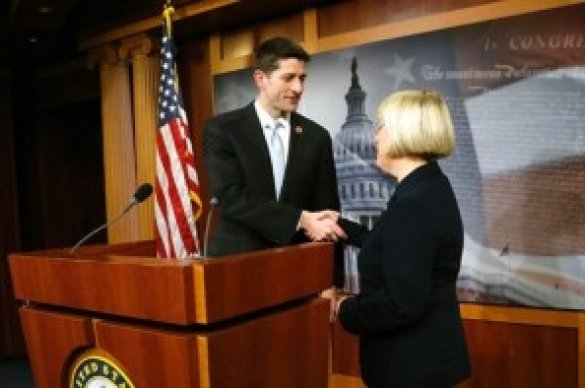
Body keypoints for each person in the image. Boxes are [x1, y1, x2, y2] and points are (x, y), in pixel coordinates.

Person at [321, 90, 471, 387]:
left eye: (381, 127)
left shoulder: (414, 203)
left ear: (404, 132)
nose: (375, 138)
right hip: (427, 362)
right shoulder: (428, 186)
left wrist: (341, 308)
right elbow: (396, 246)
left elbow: (400, 303)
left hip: (410, 369)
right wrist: (343, 225)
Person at [203, 36, 344, 285]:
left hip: (297, 270)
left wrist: (330, 280)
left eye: (302, 78)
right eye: (288, 78)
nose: (298, 88)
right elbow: (229, 197)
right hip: (237, 269)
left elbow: (327, 213)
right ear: (260, 79)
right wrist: (299, 219)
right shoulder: (223, 129)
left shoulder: (317, 136)